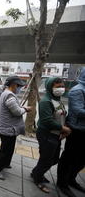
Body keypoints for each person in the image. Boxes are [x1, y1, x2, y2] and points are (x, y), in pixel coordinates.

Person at [31, 77, 71, 194]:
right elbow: (47, 121)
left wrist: (63, 130)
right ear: (50, 87)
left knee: (53, 159)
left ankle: (36, 172)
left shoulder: (58, 100)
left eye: (62, 86)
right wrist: (64, 129)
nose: (61, 89)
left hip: (55, 134)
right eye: (57, 87)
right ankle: (38, 179)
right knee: (47, 160)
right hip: (46, 135)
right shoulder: (45, 101)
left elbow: (61, 116)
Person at [0, 76, 31, 180]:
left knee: (9, 149)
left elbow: (14, 109)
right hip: (8, 128)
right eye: (19, 86)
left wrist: (22, 108)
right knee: (5, 150)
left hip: (9, 128)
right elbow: (17, 111)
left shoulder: (6, 93)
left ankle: (5, 163)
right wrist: (25, 109)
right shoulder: (9, 95)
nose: (20, 88)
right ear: (13, 85)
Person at [57, 67, 85, 197]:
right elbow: (78, 111)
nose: (61, 88)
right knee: (69, 157)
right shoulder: (77, 90)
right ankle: (62, 182)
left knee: (81, 159)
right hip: (76, 130)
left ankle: (71, 179)